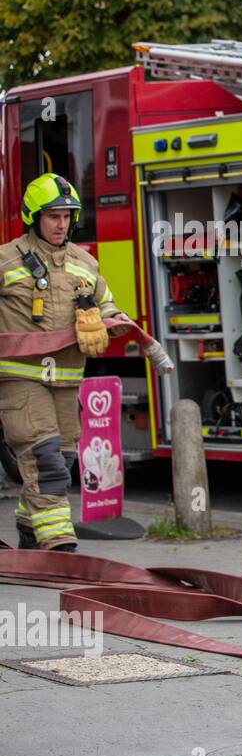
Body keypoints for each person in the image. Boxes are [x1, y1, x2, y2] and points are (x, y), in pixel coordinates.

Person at [0, 174, 116, 551]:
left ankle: (30, 533)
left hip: (66, 384)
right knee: (44, 458)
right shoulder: (6, 260)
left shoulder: (85, 263)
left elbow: (108, 305)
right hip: (20, 381)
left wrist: (109, 322)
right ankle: (60, 548)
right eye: (53, 215)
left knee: (62, 460)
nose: (62, 223)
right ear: (34, 217)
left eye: (67, 215)